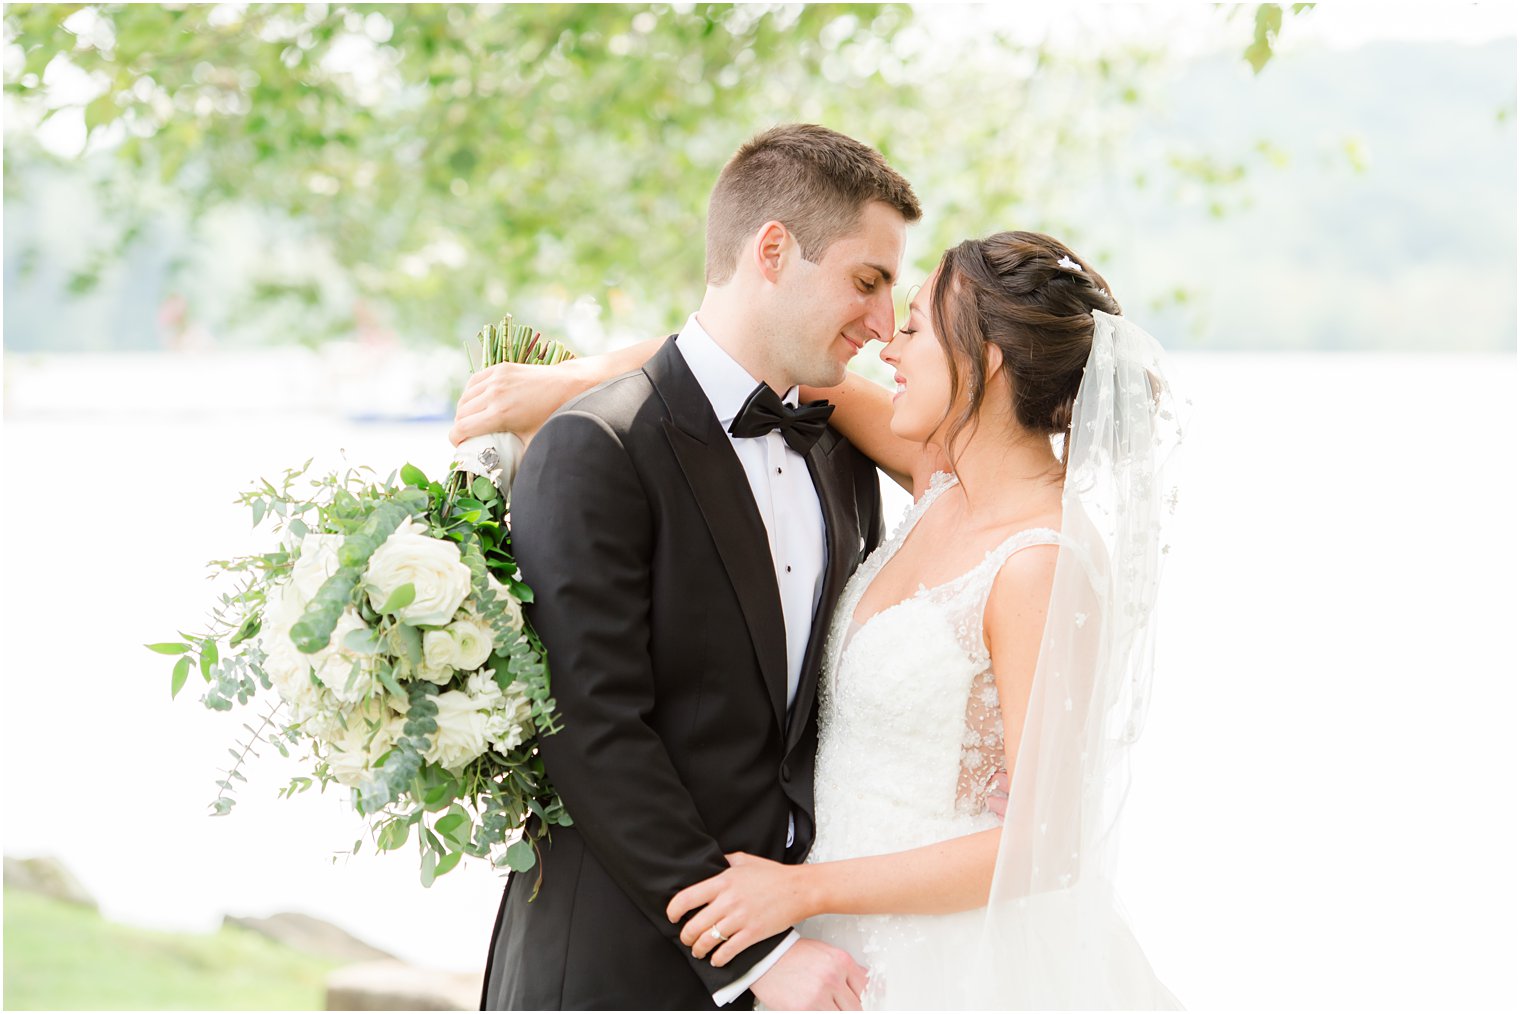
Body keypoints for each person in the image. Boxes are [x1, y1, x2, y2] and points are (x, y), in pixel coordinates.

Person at [458, 230, 1184, 1009]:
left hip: (936, 951)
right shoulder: (943, 482)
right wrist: (575, 379)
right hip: (827, 932)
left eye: (913, 329)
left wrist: (798, 894)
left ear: (989, 361)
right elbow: (741, 361)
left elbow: (1048, 844)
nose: (886, 349)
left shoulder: (1043, 557)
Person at [475, 123, 922, 1010]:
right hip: (615, 965)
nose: (881, 323)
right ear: (772, 251)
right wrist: (754, 957)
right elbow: (588, 728)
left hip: (807, 960)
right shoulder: (594, 445)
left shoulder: (841, 457)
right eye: (866, 282)